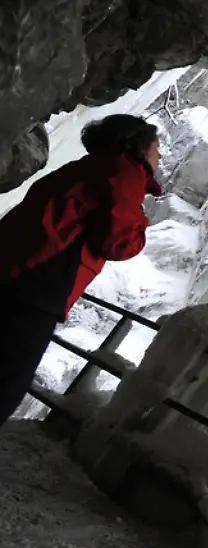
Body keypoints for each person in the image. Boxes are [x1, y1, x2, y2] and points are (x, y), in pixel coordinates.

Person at [0, 114, 162, 425]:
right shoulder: (123, 174)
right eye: (156, 147)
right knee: (7, 379)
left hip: (15, 268)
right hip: (40, 283)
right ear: (138, 147)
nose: (160, 155)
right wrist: (142, 221)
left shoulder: (86, 168)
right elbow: (119, 243)